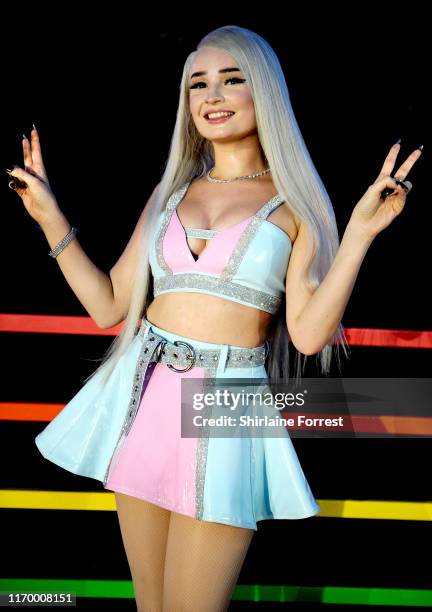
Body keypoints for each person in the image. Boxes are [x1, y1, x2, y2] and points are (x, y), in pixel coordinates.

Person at [7, 24, 421, 612]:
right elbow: (107, 306)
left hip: (226, 404)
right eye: (198, 84)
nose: (212, 95)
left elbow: (306, 336)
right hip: (142, 394)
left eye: (232, 79)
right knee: (150, 604)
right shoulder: (170, 193)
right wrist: (50, 218)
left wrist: (357, 238)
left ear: (266, 93)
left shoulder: (297, 203)